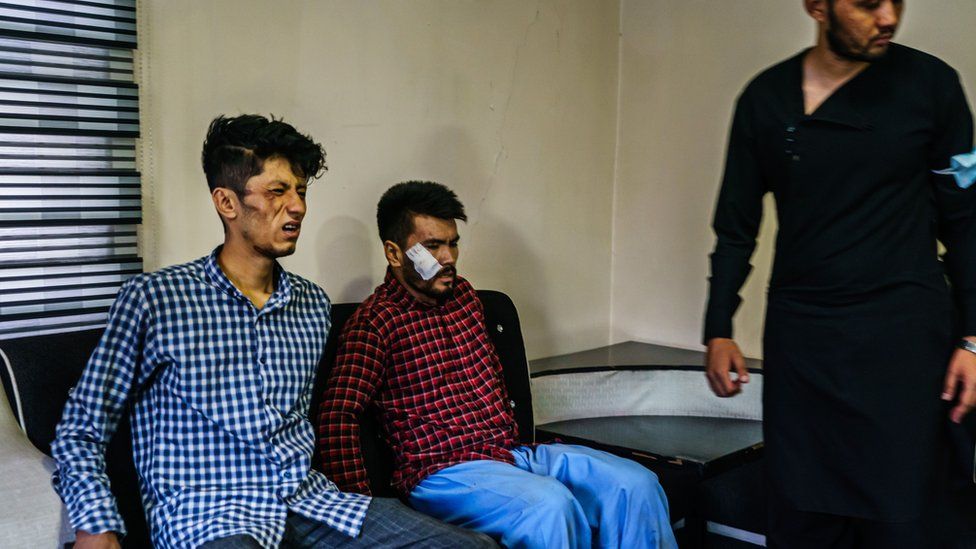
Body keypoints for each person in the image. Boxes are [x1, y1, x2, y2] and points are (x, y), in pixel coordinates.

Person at [51, 116, 494, 549]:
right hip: (209, 518)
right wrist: (95, 525)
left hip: (312, 505)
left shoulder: (311, 304)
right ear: (227, 203)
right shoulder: (155, 299)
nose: (298, 206)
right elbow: (81, 427)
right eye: (277, 192)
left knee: (473, 546)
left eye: (301, 191)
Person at [703, 1, 976, 547]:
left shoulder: (931, 87)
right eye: (867, 2)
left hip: (907, 350)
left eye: (896, 0)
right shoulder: (766, 99)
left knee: (907, 521)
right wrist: (718, 328)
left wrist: (973, 338)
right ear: (817, 6)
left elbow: (967, 220)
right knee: (803, 519)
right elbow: (735, 227)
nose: (888, 17)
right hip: (805, 352)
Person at [317, 180, 678, 549]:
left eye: (453, 243)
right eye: (433, 246)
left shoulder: (465, 298)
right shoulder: (375, 323)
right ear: (394, 254)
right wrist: (366, 511)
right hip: (440, 471)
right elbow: (337, 415)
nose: (449, 258)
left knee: (636, 485)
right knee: (549, 508)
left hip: (509, 452)